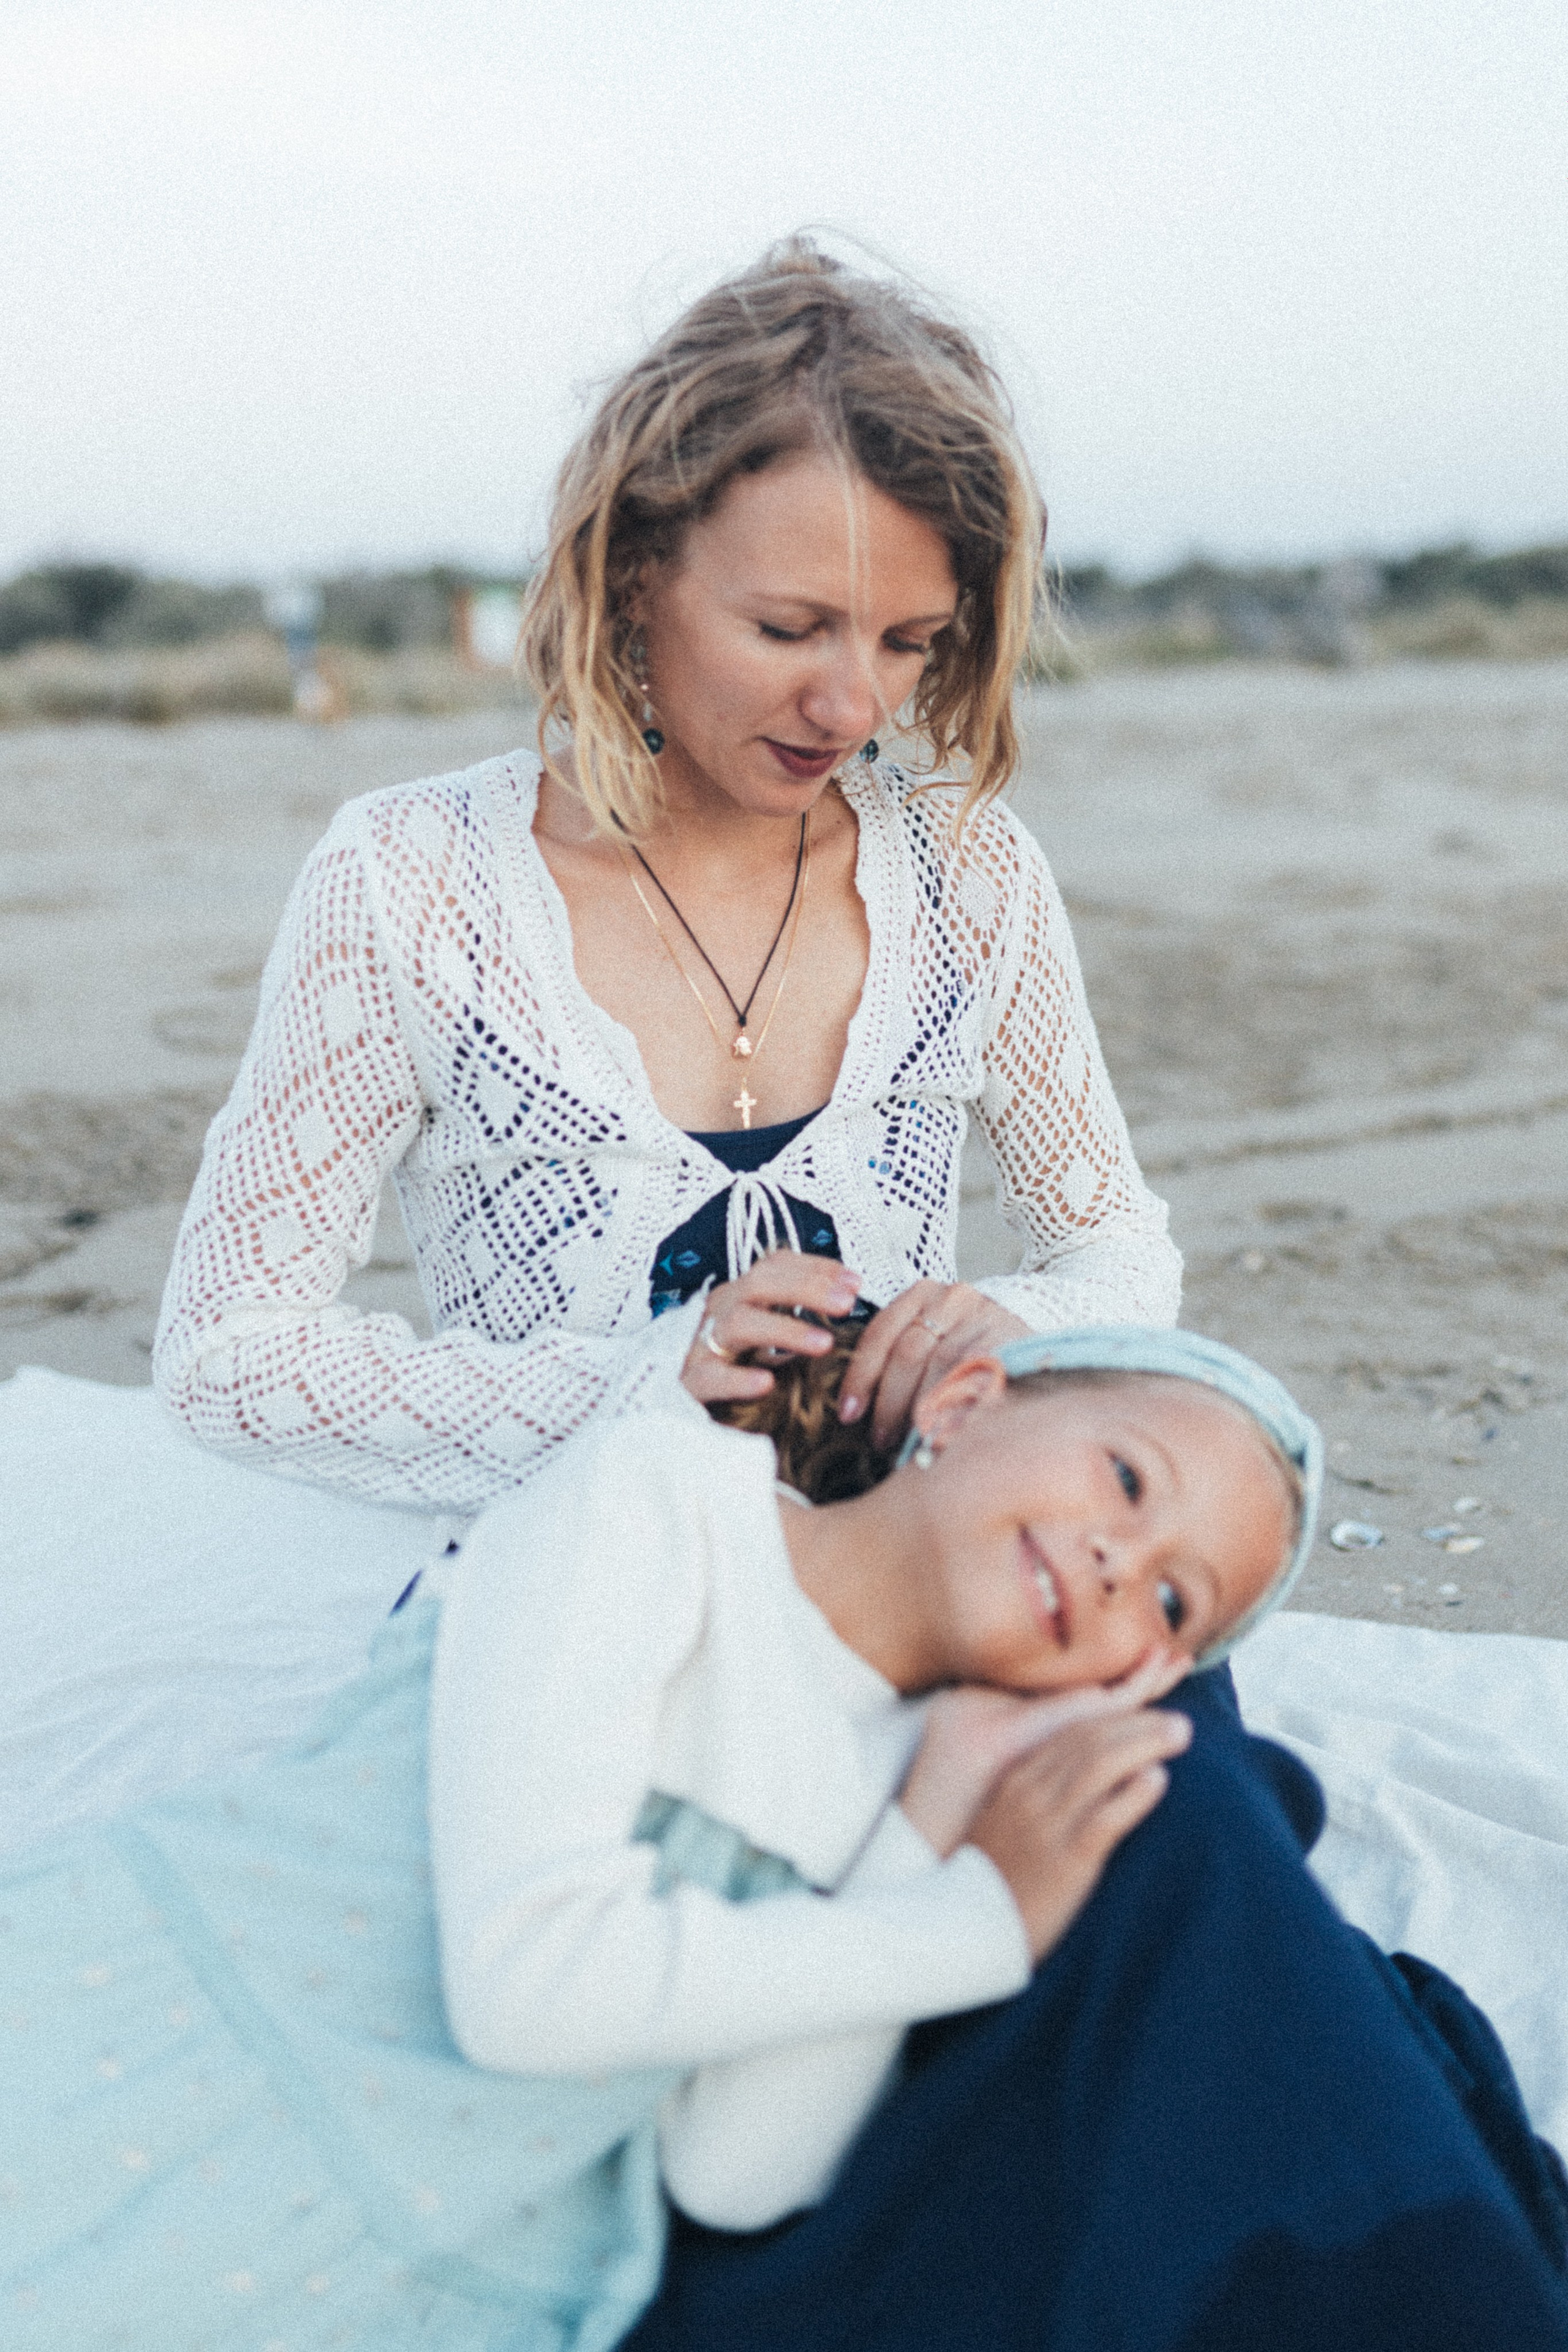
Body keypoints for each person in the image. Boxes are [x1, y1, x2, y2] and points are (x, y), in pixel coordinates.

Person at [6, 1329, 1565, 2350]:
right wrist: (977, 1922)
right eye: (1124, 1479)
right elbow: (527, 1982)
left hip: (415, 2265)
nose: (1117, 1557)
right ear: (961, 1404)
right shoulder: (665, 1501)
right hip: (168, 2038)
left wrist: (931, 1821)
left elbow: (734, 2176)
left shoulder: (897, 1790)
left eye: (1171, 1600)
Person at [151, 238, 1180, 1512]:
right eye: (788, 628)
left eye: (908, 642)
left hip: (896, 1564)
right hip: (569, 1577)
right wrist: (636, 1384)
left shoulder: (967, 873)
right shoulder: (412, 881)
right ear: (634, 569)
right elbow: (227, 1358)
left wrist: (1015, 1327)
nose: (851, 704)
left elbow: (1115, 1253)